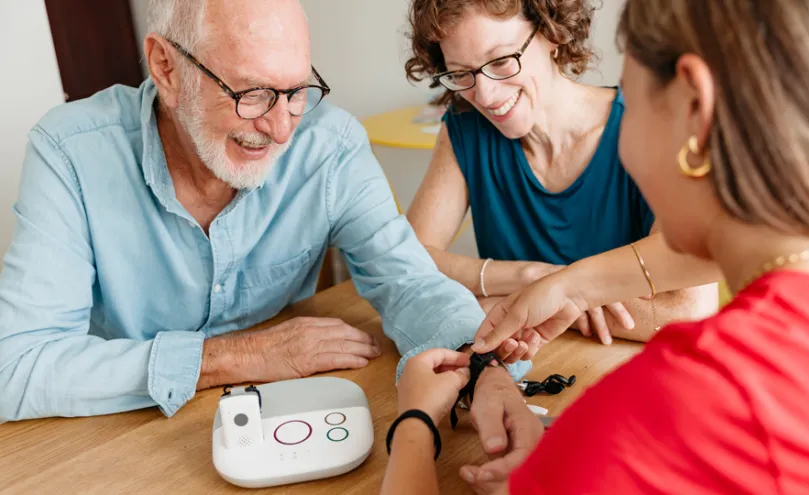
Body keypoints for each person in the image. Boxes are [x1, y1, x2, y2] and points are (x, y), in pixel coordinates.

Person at [383, 0, 809, 493]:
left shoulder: (651, 415)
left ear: (694, 107)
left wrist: (415, 424)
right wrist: (565, 286)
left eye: (634, 100)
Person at [0, 0, 522, 422]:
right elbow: (15, 367)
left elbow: (411, 284)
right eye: (251, 93)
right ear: (166, 68)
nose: (282, 128)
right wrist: (237, 356)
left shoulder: (330, 146)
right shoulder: (71, 152)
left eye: (296, 91)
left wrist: (486, 370)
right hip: (115, 437)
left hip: (279, 423)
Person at [403, 0, 721, 353]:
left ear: (551, 33)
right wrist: (530, 278)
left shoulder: (647, 126)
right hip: (529, 366)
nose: (485, 94)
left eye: (502, 60)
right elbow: (405, 264)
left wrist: (524, 302)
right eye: (461, 73)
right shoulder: (464, 130)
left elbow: (686, 310)